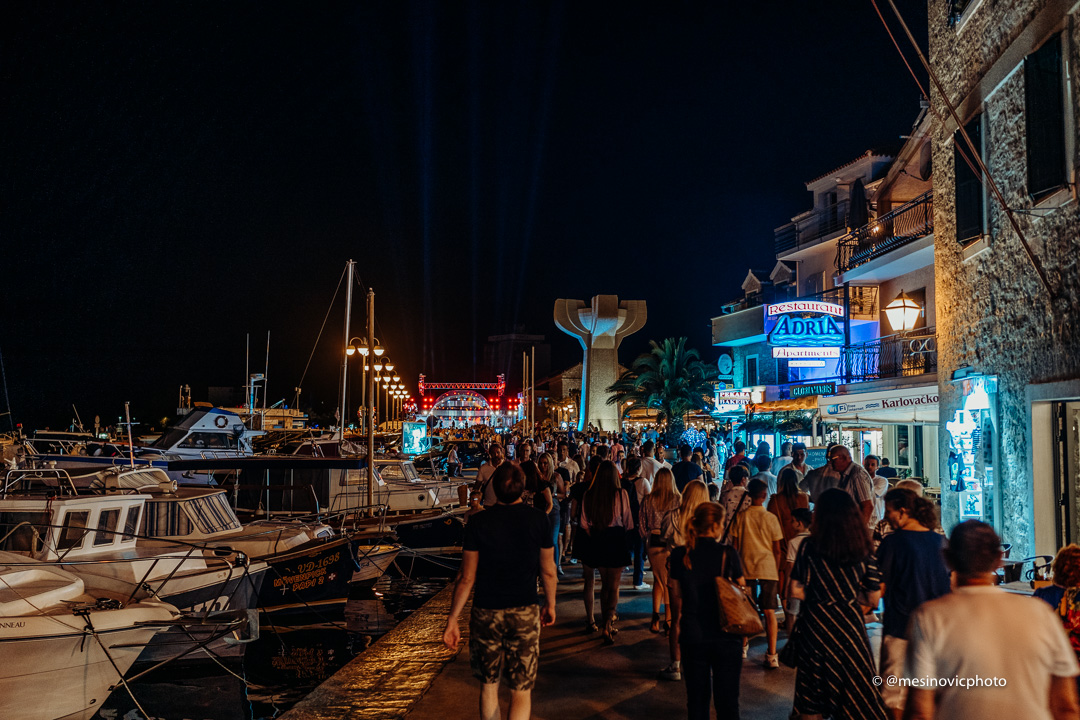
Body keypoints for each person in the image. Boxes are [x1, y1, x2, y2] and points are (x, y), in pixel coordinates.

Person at [904, 521, 1080, 720]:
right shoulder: (1041, 613)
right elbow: (1066, 706)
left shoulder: (929, 617)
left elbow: (920, 710)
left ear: (947, 559)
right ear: (999, 560)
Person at [443, 462, 557, 720]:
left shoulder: (479, 522)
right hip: (525, 610)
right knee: (521, 689)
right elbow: (548, 570)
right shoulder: (539, 519)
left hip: (486, 611)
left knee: (489, 684)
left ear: (493, 487)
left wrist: (452, 619)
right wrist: (550, 603)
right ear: (523, 487)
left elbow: (466, 577)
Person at [788, 489, 887, 720]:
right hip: (849, 627)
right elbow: (873, 598)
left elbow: (795, 589)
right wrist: (849, 599)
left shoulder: (809, 547)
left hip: (814, 626)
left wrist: (819, 597)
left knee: (811, 700)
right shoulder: (863, 547)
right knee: (854, 694)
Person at [875, 488, 950, 719]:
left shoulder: (893, 543)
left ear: (903, 511)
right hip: (939, 630)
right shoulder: (943, 542)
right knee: (930, 691)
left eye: (889, 511)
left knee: (894, 695)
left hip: (900, 627)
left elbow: (880, 587)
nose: (886, 516)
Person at [668, 502, 747, 720]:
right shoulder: (728, 554)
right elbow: (742, 590)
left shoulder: (679, 555)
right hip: (727, 635)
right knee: (728, 702)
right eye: (721, 524)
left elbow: (676, 591)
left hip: (693, 634)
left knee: (696, 701)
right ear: (714, 526)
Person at [729, 478, 783, 667]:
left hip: (746, 568)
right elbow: (777, 549)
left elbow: (735, 547)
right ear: (764, 495)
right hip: (768, 568)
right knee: (769, 612)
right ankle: (772, 654)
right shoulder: (771, 518)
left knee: (747, 611)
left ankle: (744, 646)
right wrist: (775, 569)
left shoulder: (741, 517)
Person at [579, 460, 634, 644]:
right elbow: (628, 521)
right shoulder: (621, 494)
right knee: (614, 586)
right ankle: (608, 623)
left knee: (604, 585)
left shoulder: (589, 495)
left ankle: (604, 623)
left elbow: (584, 524)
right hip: (616, 538)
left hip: (598, 538)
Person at [639, 466, 681, 634]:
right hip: (671, 542)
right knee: (669, 581)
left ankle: (655, 617)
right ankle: (668, 620)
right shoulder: (678, 499)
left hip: (653, 541)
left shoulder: (648, 499)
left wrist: (646, 538)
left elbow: (641, 524)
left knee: (658, 579)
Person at [767, 464, 810, 604]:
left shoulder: (775, 500)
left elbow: (771, 525)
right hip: (801, 543)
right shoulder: (804, 498)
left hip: (782, 544)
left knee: (783, 575)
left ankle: (787, 613)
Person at [620, 456, 649, 591]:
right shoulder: (643, 482)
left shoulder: (622, 482)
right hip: (638, 519)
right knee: (639, 550)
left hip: (624, 519)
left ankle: (619, 571)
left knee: (625, 546)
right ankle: (638, 580)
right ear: (639, 468)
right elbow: (649, 501)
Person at [828, 445, 874, 525]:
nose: (830, 462)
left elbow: (867, 506)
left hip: (858, 528)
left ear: (844, 458)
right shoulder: (845, 475)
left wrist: (859, 532)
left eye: (833, 459)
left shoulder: (857, 475)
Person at [783, 507, 812, 633]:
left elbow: (790, 566)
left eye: (793, 521)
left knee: (791, 615)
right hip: (811, 585)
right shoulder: (815, 540)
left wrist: (786, 588)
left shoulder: (793, 542)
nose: (791, 523)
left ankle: (792, 642)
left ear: (799, 523)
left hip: (796, 584)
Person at [536, 453, 563, 571]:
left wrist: (553, 494)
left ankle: (554, 568)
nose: (543, 466)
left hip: (554, 510)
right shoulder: (537, 477)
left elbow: (564, 493)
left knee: (553, 540)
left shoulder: (556, 476)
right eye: (541, 463)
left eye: (545, 463)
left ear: (550, 463)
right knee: (540, 540)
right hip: (539, 510)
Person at [718, 465, 752, 539]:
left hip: (727, 535)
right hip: (743, 535)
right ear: (743, 479)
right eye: (747, 478)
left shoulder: (725, 495)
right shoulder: (749, 496)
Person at [474, 442, 507, 508]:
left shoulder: (507, 467)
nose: (496, 455)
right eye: (493, 453)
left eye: (498, 452)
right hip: (489, 504)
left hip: (504, 505)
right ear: (490, 454)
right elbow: (476, 487)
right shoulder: (484, 468)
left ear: (501, 452)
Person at [864, 454, 889, 527]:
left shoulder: (882, 480)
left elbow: (874, 493)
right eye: (867, 464)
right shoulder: (859, 479)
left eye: (872, 465)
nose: (869, 467)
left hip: (877, 515)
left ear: (877, 467)